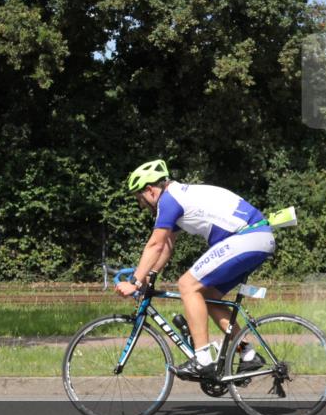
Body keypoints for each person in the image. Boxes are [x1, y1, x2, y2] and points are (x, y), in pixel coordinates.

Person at [116, 159, 274, 378]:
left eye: (140, 200)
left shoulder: (169, 201)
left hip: (246, 237)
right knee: (208, 296)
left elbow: (155, 244)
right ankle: (247, 354)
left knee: (187, 285)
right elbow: (166, 248)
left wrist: (134, 282)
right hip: (257, 237)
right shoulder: (178, 197)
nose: (142, 206)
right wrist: (148, 277)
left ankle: (202, 359)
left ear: (150, 190)